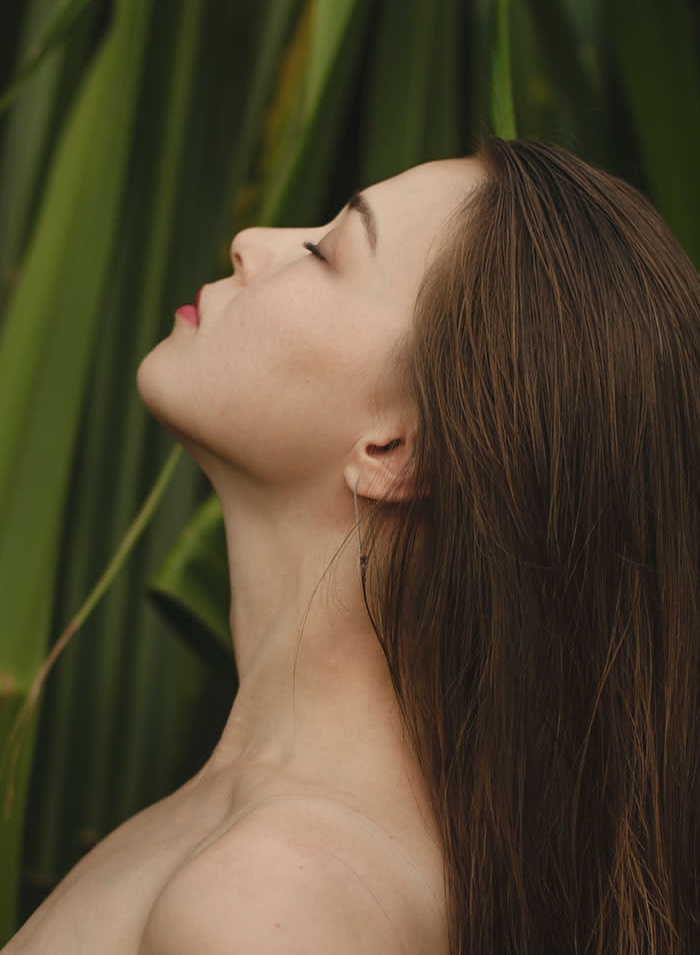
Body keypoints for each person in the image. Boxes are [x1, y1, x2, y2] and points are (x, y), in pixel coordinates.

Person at [4, 139, 699, 955]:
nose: (252, 240)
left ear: (396, 450)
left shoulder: (277, 894)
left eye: (324, 251)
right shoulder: (257, 844)